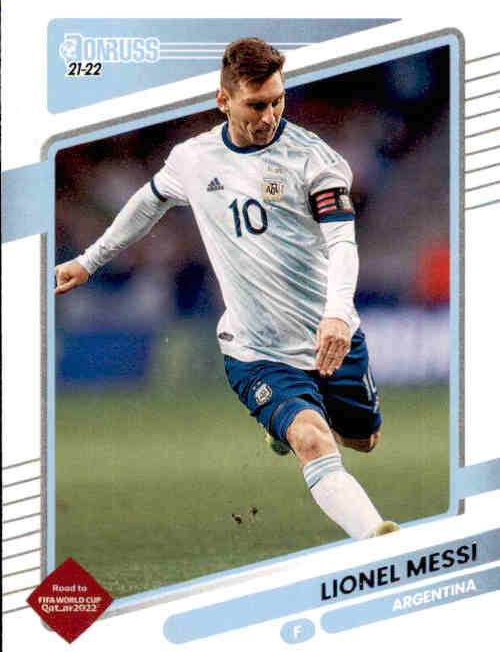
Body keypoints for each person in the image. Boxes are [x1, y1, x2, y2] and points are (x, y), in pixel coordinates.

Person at [55, 37, 399, 540]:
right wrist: (89, 261)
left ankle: (285, 427)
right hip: (254, 350)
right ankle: (376, 540)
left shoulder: (315, 159)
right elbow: (149, 202)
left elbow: (342, 240)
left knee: (364, 440)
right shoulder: (194, 159)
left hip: (330, 335)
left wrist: (337, 313)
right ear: (224, 100)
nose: (270, 116)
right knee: (311, 437)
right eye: (256, 105)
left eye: (278, 101)